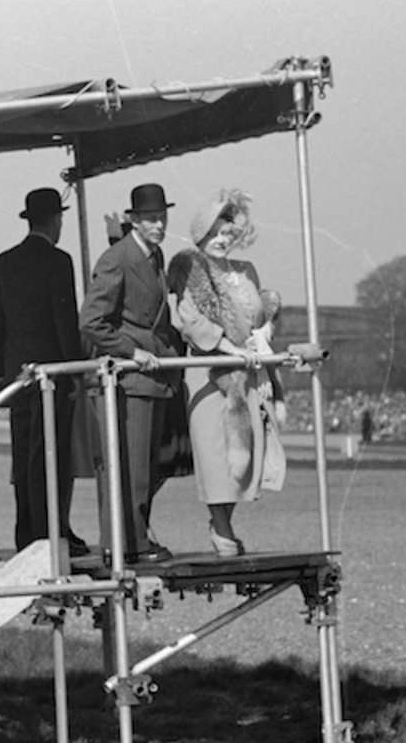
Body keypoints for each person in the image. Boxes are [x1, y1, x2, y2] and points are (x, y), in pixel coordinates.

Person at [166, 189, 286, 556]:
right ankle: (221, 528)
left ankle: (225, 522)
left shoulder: (246, 270)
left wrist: (262, 336)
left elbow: (259, 315)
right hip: (207, 371)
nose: (221, 240)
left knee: (246, 451)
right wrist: (227, 346)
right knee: (215, 453)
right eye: (214, 233)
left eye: (227, 234)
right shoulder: (189, 266)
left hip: (248, 370)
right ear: (201, 233)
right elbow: (187, 317)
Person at [79, 183, 182, 564]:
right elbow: (91, 322)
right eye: (151, 219)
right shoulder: (117, 259)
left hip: (151, 377)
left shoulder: (154, 256)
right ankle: (130, 544)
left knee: (142, 466)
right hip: (128, 380)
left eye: (163, 218)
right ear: (134, 221)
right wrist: (131, 352)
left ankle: (130, 539)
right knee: (131, 467)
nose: (159, 225)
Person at [0, 187, 88, 557]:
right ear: (56, 220)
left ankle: (28, 530)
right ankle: (51, 531)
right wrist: (76, 369)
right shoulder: (59, 261)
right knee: (52, 455)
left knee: (24, 454)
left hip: (16, 376)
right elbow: (64, 321)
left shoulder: (2, 263)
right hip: (52, 374)